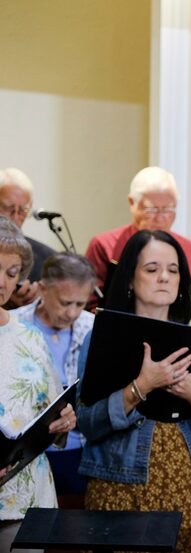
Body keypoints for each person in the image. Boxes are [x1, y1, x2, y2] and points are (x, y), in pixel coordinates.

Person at [76, 230, 191, 552]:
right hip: (122, 486)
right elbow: (88, 422)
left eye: (173, 270)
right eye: (152, 269)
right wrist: (141, 387)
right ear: (130, 279)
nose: (164, 277)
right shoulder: (103, 337)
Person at [0, 217, 76, 552]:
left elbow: (51, 409)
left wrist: (64, 422)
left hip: (28, 493)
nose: (2, 281)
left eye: (12, 272)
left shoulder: (29, 335)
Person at [11, 253, 96, 506]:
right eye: (65, 302)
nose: (72, 313)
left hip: (77, 449)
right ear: (42, 289)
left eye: (80, 304)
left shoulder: (92, 327)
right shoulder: (15, 325)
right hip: (24, 454)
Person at [84, 166, 191, 310]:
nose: (160, 218)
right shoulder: (104, 245)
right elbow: (89, 303)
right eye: (151, 209)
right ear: (132, 203)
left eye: (168, 209)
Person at [0, 168, 57, 308]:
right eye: (8, 207)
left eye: (23, 210)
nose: (15, 216)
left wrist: (37, 304)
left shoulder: (47, 258)